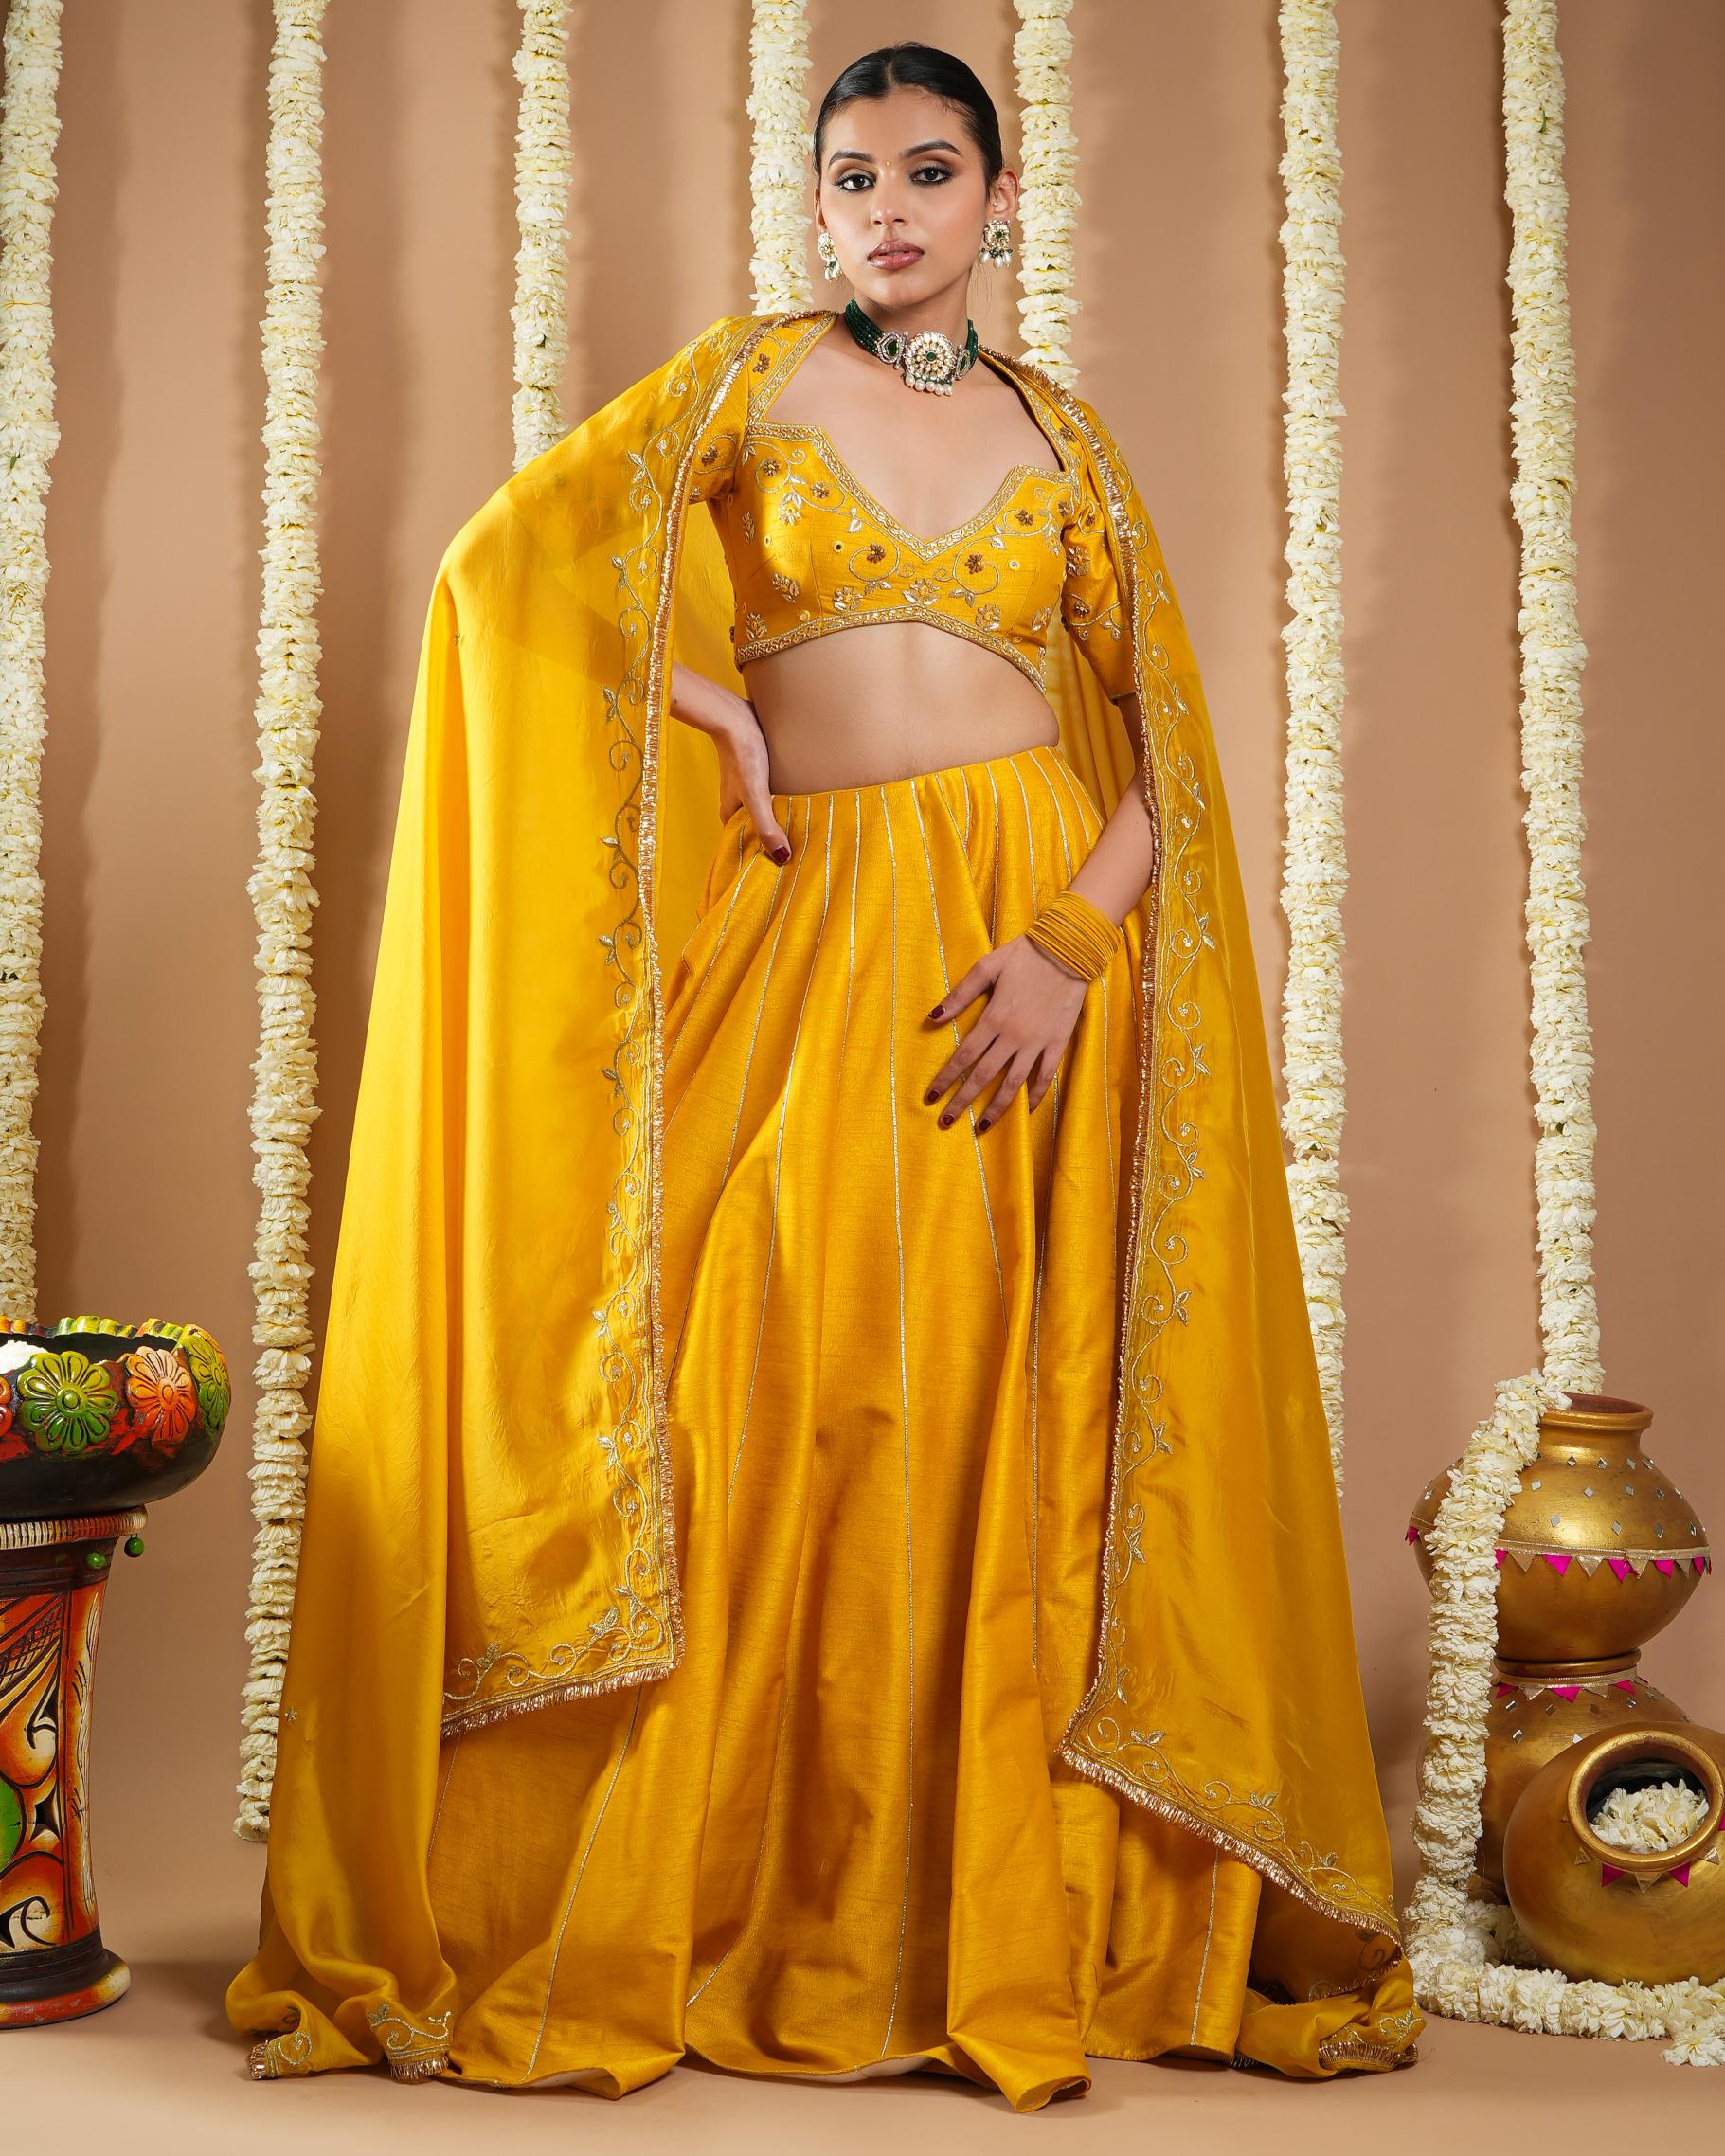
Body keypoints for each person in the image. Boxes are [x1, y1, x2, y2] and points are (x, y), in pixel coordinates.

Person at [227, 42, 1422, 2110]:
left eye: (926, 173)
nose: (887, 210)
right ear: (812, 208)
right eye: (850, 178)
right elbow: (507, 575)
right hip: (810, 936)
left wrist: (1067, 949)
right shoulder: (746, 386)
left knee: (993, 1409)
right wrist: (707, 706)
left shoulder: (1065, 437)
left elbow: (1166, 767)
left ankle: (976, 1922)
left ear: (996, 201)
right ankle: (720, 1900)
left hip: (1014, 965)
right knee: (741, 1372)